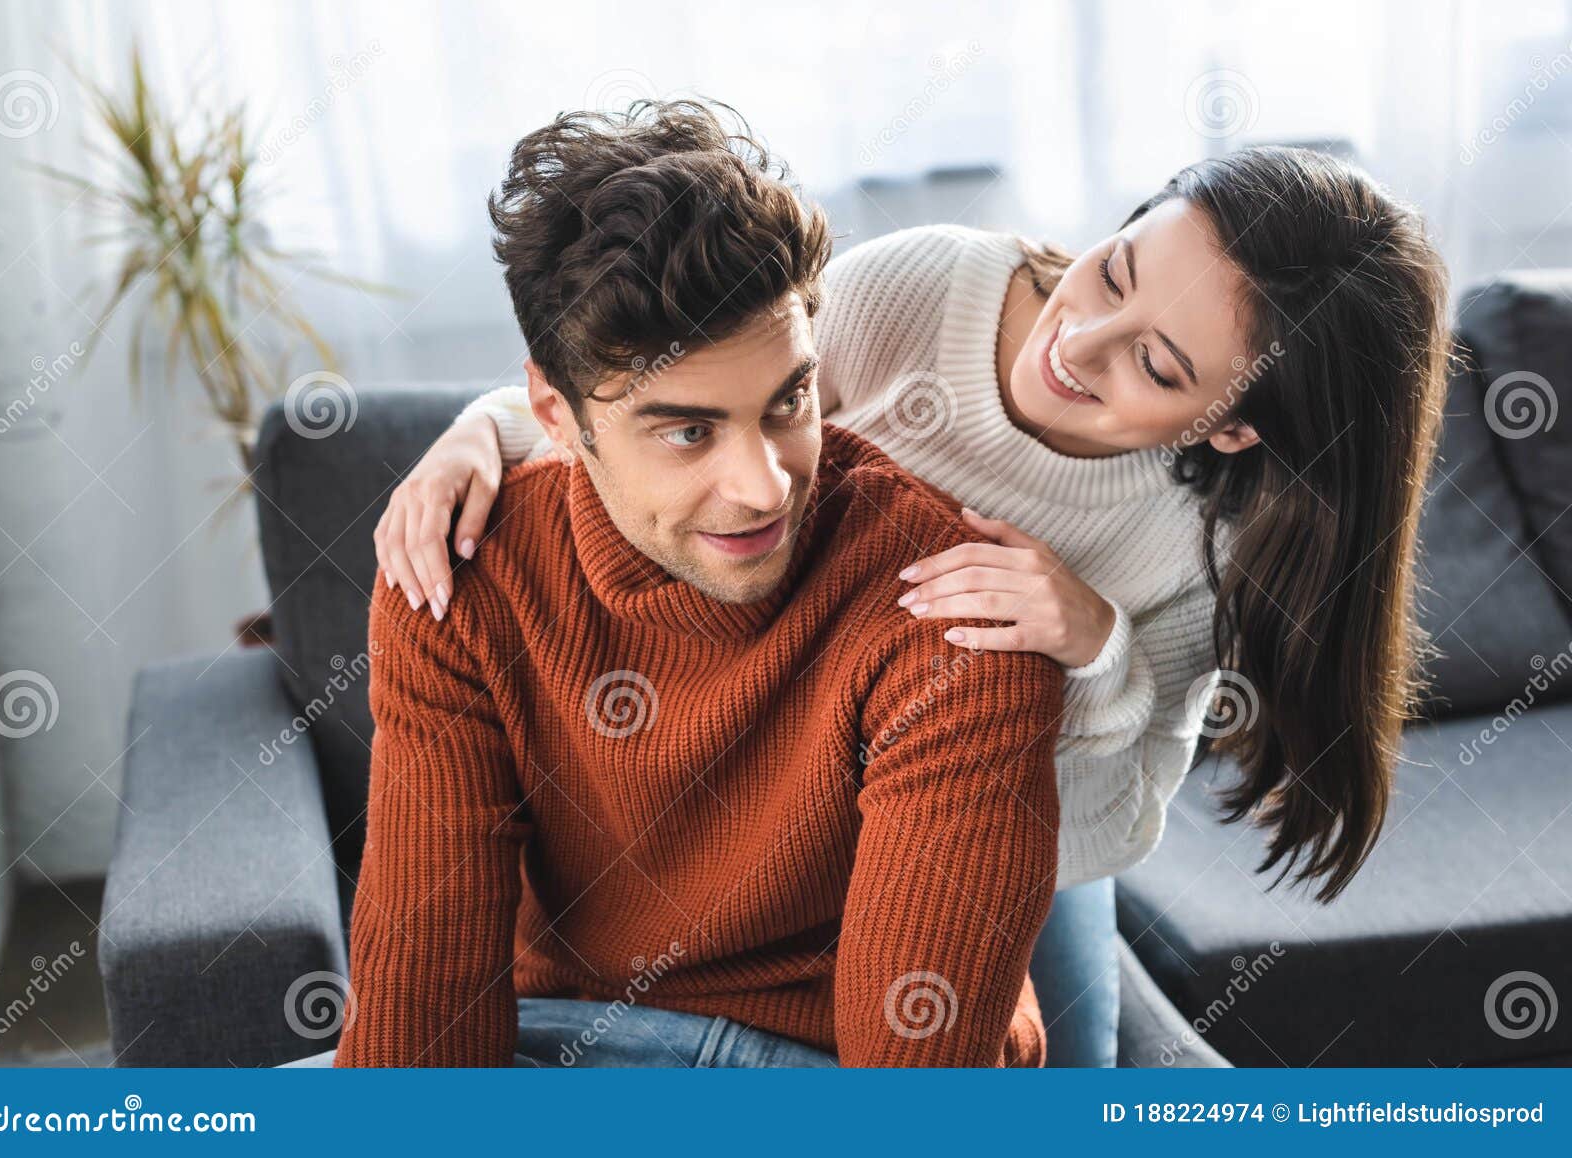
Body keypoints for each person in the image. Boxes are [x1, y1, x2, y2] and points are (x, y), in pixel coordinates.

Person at [377, 110, 1452, 1068]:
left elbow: (1104, 835)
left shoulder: (1197, 548)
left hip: (1004, 800)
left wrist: (1095, 656)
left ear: (1233, 425)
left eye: (1157, 367)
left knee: (1066, 1070)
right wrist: (485, 432)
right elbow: (709, 361)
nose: (1078, 341)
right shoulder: (929, 289)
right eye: (1114, 273)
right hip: (820, 759)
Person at [300, 99, 1067, 1068]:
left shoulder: (957, 612)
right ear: (555, 414)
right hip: (563, 1038)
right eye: (689, 431)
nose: (765, 487)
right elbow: (425, 1017)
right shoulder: (464, 587)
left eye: (788, 401)